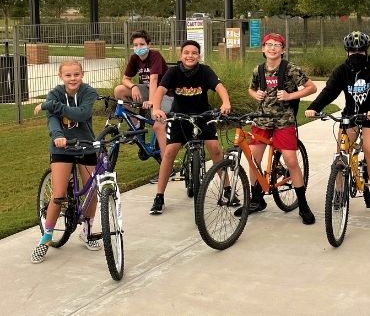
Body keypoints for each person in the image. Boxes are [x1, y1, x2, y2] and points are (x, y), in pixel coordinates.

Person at [240, 32, 317, 224]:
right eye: (269, 44)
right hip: (262, 120)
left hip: (284, 121)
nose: (272, 48)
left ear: (283, 49)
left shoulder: (290, 69)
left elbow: (311, 87)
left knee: (291, 160)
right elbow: (251, 88)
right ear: (263, 49)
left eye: (277, 45)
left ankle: (303, 204)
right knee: (253, 159)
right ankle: (256, 199)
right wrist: (254, 94)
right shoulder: (258, 70)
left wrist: (291, 96)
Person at [304, 31, 370, 209]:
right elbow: (329, 91)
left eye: (360, 51)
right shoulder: (341, 70)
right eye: (352, 51)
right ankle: (340, 191)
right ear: (347, 52)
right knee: (341, 153)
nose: (356, 55)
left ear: (366, 51)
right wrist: (314, 107)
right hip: (350, 115)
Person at [148, 40, 232, 215]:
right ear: (181, 55)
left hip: (203, 116)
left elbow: (219, 87)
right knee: (170, 152)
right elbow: (160, 91)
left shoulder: (205, 71)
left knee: (215, 149)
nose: (190, 56)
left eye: (194, 53)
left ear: (199, 56)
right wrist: (156, 108)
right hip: (179, 117)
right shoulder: (173, 72)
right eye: (186, 53)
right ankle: (159, 196)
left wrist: (226, 102)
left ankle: (227, 189)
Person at [31, 60, 101, 263]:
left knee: (91, 190)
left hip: (86, 144)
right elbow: (53, 120)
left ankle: (87, 231)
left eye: (76, 74)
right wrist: (57, 135)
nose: (73, 79)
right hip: (61, 146)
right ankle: (46, 238)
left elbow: (83, 113)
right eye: (68, 75)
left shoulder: (88, 92)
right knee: (59, 194)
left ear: (82, 74)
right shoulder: (56, 93)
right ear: (61, 76)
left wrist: (49, 105)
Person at [114, 30, 171, 174]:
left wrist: (152, 102)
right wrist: (133, 86)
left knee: (158, 124)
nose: (139, 47)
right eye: (135, 45)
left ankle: (167, 166)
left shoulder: (155, 56)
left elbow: (154, 80)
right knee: (119, 90)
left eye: (142, 44)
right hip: (147, 89)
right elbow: (125, 79)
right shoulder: (134, 58)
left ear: (149, 45)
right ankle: (136, 123)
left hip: (164, 92)